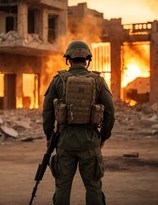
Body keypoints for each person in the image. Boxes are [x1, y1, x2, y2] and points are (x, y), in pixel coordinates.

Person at [42, 40, 116, 205]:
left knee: (62, 187)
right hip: (90, 144)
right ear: (87, 60)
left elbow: (47, 112)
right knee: (93, 187)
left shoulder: (58, 80)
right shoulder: (98, 81)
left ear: (68, 59)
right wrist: (103, 137)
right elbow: (110, 112)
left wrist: (49, 136)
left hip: (64, 143)